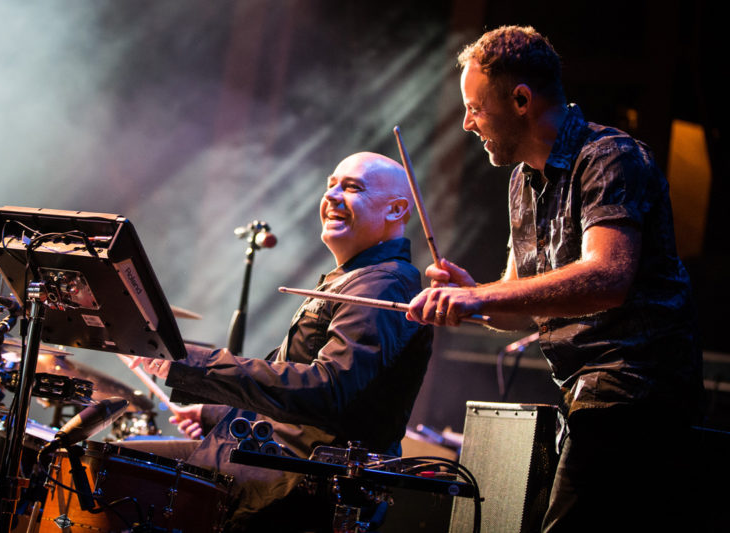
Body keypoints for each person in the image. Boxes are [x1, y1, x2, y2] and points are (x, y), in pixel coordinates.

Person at [406, 26, 704, 533]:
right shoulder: (523, 180)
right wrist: (472, 297)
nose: (466, 123)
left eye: (475, 108)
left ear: (520, 99)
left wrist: (482, 294)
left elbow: (607, 277)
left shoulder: (610, 157)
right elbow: (519, 306)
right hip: (585, 395)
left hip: (637, 389)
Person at [133, 152, 433, 532]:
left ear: (396, 210)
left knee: (104, 477)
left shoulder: (383, 283)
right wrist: (211, 414)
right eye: (331, 185)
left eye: (353, 187)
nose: (333, 196)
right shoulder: (353, 277)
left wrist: (194, 362)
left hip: (297, 482)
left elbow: (327, 390)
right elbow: (293, 395)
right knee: (108, 462)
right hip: (271, 463)